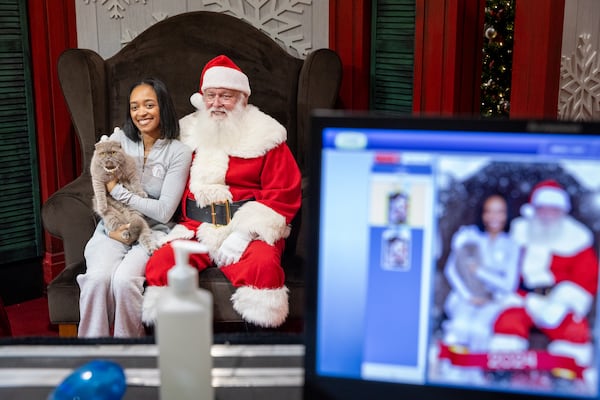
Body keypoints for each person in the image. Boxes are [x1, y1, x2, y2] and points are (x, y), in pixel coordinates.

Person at [142, 55, 302, 328]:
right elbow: (159, 175)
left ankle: (257, 350)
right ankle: (177, 350)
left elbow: (284, 194)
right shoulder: (185, 132)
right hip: (195, 226)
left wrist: (245, 233)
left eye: (226, 96)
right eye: (211, 95)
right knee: (161, 266)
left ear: (242, 99)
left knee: (263, 268)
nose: (217, 104)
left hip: (247, 230)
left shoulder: (267, 135)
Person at [77, 78, 193, 338]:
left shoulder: (179, 152)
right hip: (113, 227)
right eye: (134, 107)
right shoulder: (119, 140)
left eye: (149, 105)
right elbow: (98, 176)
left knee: (124, 281)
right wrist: (112, 226)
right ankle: (91, 354)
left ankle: (128, 354)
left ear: (163, 106)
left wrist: (117, 191)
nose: (141, 113)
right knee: (97, 280)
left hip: (154, 232)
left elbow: (164, 211)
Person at [489, 180, 599, 380]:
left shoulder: (578, 239)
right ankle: (502, 373)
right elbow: (504, 268)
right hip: (524, 297)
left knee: (575, 330)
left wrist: (564, 302)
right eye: (543, 209)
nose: (547, 216)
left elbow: (587, 279)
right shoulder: (520, 234)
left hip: (560, 301)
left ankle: (565, 376)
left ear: (563, 212)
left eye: (553, 210)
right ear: (534, 210)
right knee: (507, 322)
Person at [442, 194, 520, 352]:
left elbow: (509, 284)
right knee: (460, 327)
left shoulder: (511, 245)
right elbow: (451, 270)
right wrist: (468, 296)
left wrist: (480, 272)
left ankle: (474, 372)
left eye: (500, 212)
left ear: (507, 214)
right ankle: (452, 371)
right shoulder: (471, 237)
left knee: (479, 331)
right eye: (489, 211)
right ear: (482, 213)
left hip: (494, 300)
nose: (494, 217)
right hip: (466, 297)